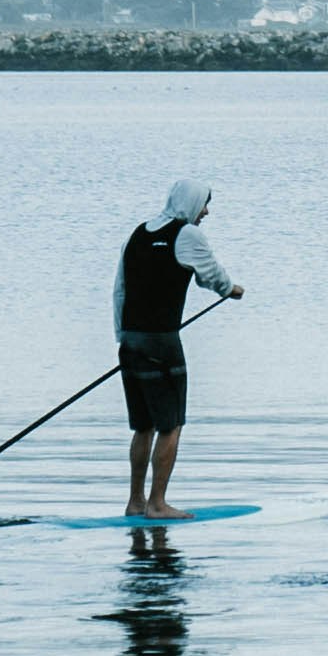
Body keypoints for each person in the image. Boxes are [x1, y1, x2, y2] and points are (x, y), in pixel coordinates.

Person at [118, 178, 241, 516]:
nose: (206, 212)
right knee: (170, 425)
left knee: (143, 425)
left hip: (130, 340)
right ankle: (157, 504)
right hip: (161, 343)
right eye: (204, 204)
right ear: (190, 203)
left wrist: (123, 338)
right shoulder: (186, 234)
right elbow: (210, 272)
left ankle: (135, 503)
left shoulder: (138, 233)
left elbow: (120, 289)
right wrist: (230, 289)